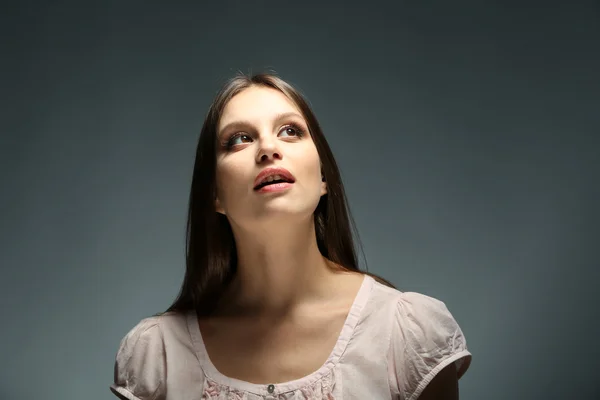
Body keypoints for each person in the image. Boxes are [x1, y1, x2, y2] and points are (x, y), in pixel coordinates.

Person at [109, 71, 472, 400]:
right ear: (215, 196)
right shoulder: (158, 358)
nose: (268, 149)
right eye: (239, 139)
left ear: (324, 177)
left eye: (290, 130)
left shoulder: (404, 336)